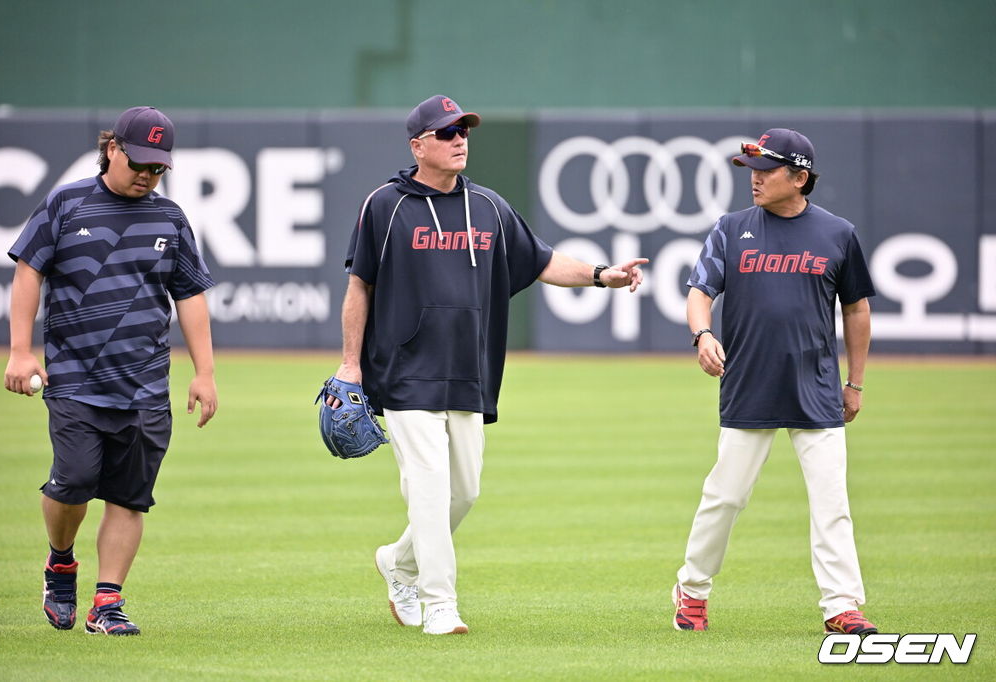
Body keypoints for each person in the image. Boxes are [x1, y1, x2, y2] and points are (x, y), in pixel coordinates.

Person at [329, 94, 647, 635]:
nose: (459, 141)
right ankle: (440, 603)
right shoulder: (386, 205)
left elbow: (544, 260)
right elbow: (360, 286)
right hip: (403, 372)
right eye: (447, 133)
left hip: (469, 371)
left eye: (464, 132)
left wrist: (600, 275)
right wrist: (350, 367)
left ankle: (398, 562)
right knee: (428, 487)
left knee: (465, 492)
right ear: (418, 145)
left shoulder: (490, 208)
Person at [4, 106, 218, 636]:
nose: (147, 174)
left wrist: (204, 372)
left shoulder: (169, 218)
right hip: (75, 379)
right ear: (113, 149)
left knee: (129, 497)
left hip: (145, 384)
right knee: (72, 482)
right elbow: (29, 270)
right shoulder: (66, 203)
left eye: (158, 167)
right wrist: (19, 350)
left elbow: (190, 295)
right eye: (139, 162)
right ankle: (60, 562)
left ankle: (107, 602)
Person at [672, 128, 878, 635]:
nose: (755, 180)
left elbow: (856, 309)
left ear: (799, 177)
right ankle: (692, 589)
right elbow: (700, 291)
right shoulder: (731, 228)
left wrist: (855, 383)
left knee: (832, 502)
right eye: (751, 170)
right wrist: (701, 334)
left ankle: (842, 605)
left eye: (766, 171)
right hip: (749, 382)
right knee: (725, 497)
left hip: (817, 386)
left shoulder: (837, 233)